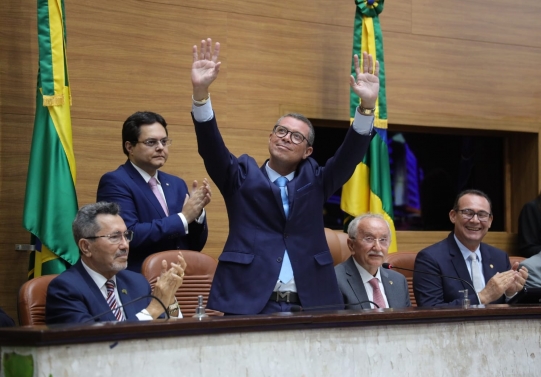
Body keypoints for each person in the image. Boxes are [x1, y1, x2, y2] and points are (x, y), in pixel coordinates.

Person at [190, 38, 376, 314]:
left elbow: (348, 156)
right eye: (281, 131)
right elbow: (211, 147)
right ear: (270, 137)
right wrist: (201, 94)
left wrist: (366, 107)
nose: (286, 138)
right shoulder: (239, 177)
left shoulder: (317, 181)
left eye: (296, 136)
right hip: (249, 302)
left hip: (310, 303)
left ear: (307, 151)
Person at [97, 111, 211, 272]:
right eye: (151, 142)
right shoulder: (115, 182)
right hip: (140, 281)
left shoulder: (176, 184)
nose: (160, 148)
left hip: (181, 278)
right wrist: (183, 218)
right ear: (130, 147)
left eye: (164, 141)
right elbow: (128, 236)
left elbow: (193, 245)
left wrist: (197, 215)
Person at [46, 202, 185, 324]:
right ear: (86, 247)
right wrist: (153, 309)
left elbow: (170, 331)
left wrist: (169, 299)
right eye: (114, 237)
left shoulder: (137, 282)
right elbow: (90, 343)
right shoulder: (65, 289)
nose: (125, 245)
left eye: (126, 236)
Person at [413, 189, 528, 307]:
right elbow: (430, 309)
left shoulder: (499, 257)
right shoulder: (430, 259)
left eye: (482, 215)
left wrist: (510, 293)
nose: (475, 220)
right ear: (453, 216)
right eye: (468, 213)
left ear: (490, 221)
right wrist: (483, 297)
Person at [335, 214, 411, 309]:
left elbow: (406, 322)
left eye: (383, 240)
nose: (377, 247)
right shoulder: (335, 280)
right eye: (369, 239)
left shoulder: (398, 281)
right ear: (351, 245)